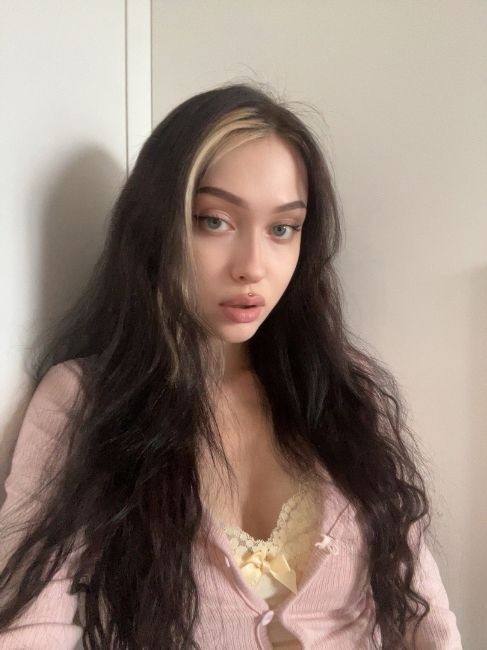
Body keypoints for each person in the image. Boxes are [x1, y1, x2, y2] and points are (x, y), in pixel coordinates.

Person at [0, 81, 463, 649]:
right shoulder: (84, 399)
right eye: (214, 220)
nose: (253, 266)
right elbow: (33, 625)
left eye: (282, 228)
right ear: (156, 227)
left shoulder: (343, 392)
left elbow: (423, 615)